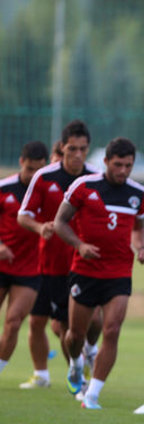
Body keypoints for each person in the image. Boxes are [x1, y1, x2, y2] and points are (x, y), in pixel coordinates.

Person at [53, 138, 144, 408]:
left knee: (112, 330)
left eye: (128, 166)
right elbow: (60, 222)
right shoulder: (84, 186)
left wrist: (141, 247)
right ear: (106, 162)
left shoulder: (139, 194)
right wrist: (79, 245)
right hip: (85, 272)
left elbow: (138, 227)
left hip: (119, 272)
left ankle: (93, 394)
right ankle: (76, 364)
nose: (123, 171)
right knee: (75, 335)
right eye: (118, 165)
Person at [18, 120, 98, 389]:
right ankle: (68, 374)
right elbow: (23, 216)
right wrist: (40, 227)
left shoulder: (95, 178)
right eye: (72, 149)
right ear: (62, 147)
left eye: (82, 149)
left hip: (85, 263)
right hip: (52, 263)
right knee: (54, 324)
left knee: (85, 322)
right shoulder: (45, 177)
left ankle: (87, 358)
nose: (77, 155)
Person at [0, 142, 49, 380]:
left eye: (38, 171)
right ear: (21, 162)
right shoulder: (4, 188)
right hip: (1, 265)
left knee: (13, 321)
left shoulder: (50, 192)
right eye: (29, 169)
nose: (33, 176)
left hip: (30, 269)